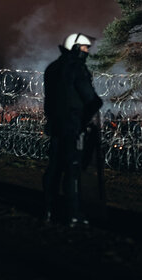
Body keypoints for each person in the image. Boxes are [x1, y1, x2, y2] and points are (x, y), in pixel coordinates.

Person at [43, 33, 103, 227]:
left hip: (55, 126)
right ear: (76, 48)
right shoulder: (77, 68)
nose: (87, 51)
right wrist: (85, 119)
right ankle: (73, 214)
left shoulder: (52, 68)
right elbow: (90, 99)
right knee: (72, 170)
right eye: (85, 48)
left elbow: (49, 101)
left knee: (53, 169)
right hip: (72, 126)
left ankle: (48, 211)